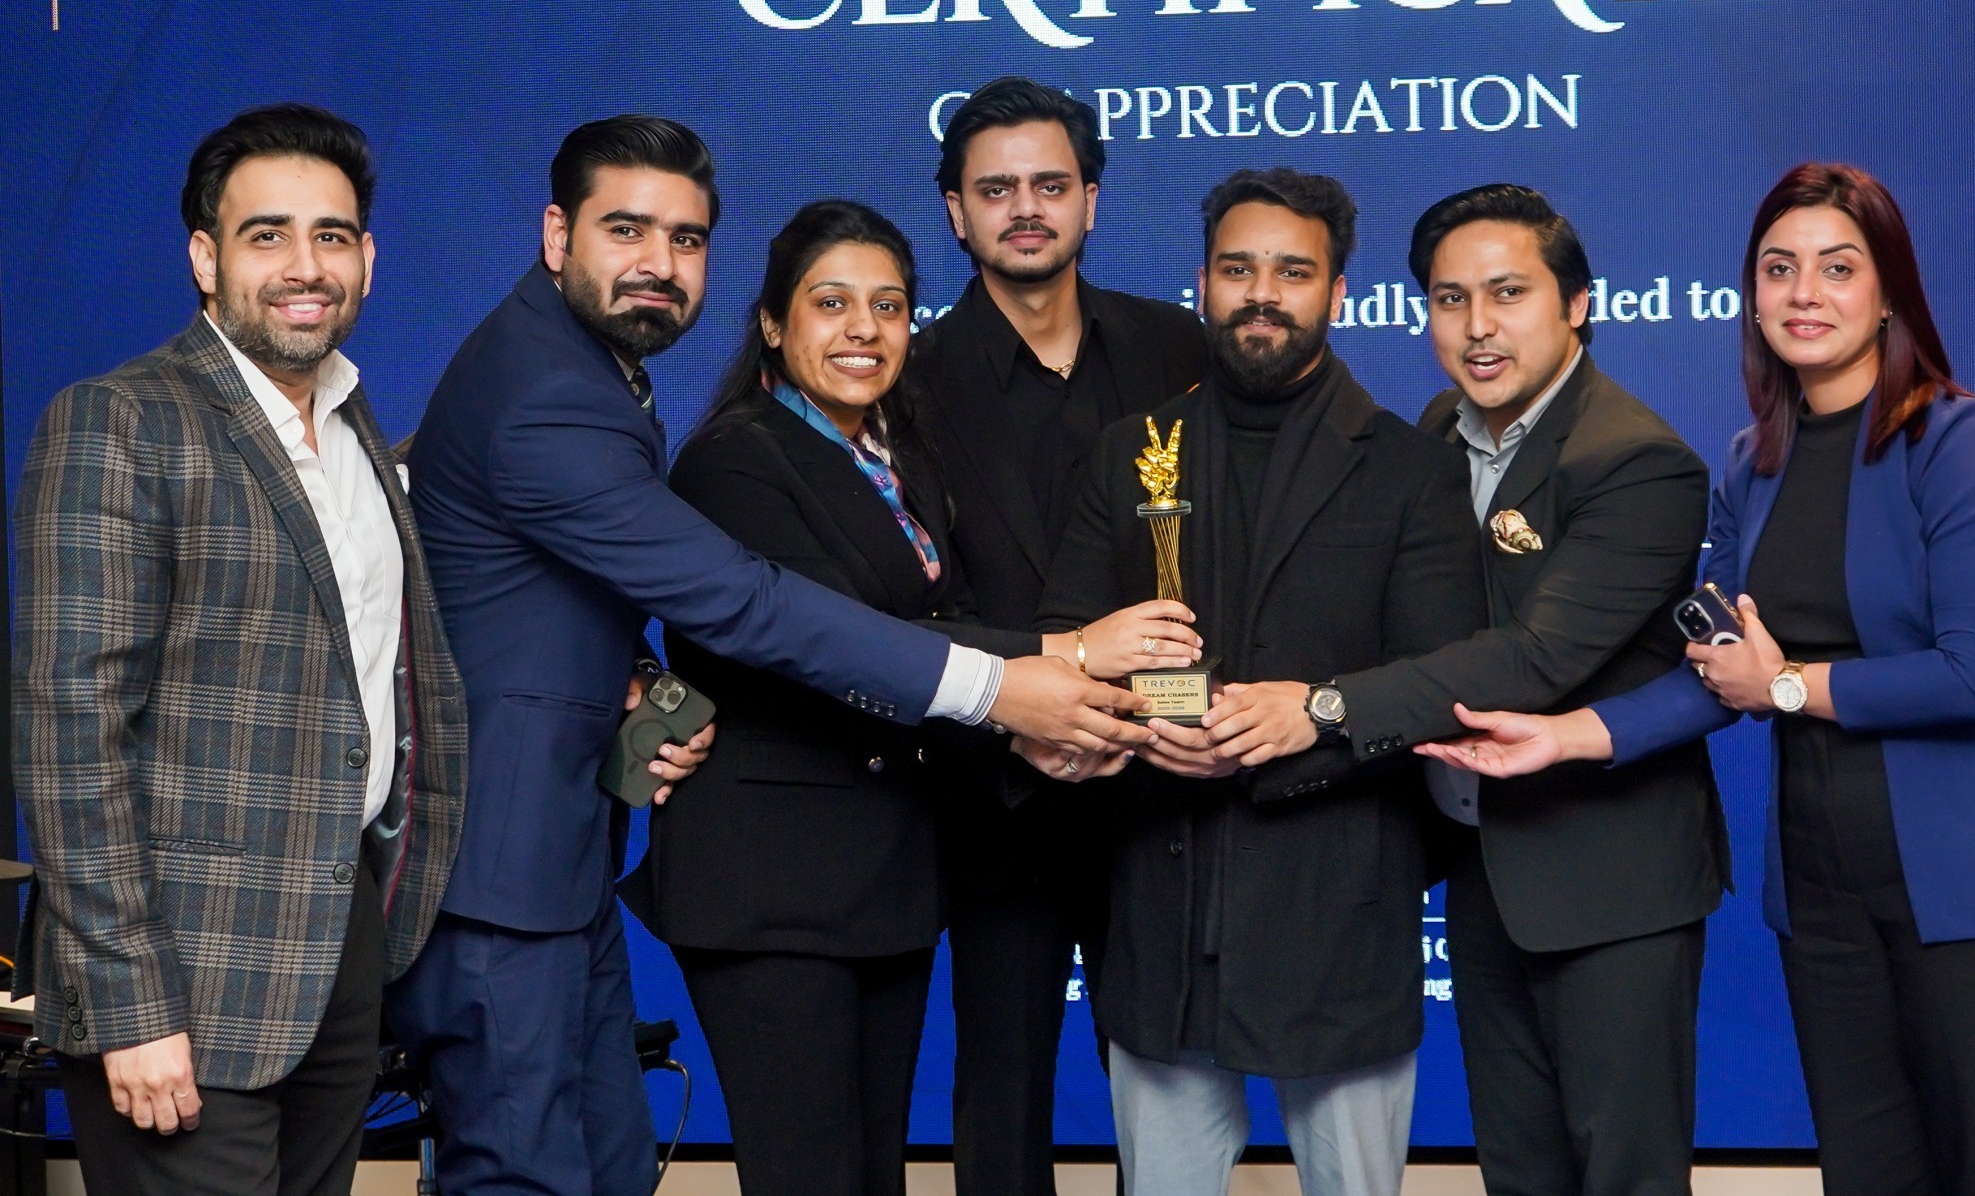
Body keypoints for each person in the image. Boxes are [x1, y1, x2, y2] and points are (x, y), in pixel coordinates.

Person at [386, 116, 1152, 1196]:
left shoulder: (594, 371)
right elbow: (751, 606)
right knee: (533, 1173)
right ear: (557, 234)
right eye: (626, 230)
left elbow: (535, 575)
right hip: (520, 871)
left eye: (686, 238)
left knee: (608, 1167)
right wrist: (1014, 682)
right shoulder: (561, 395)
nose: (658, 263)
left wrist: (636, 678)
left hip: (581, 861)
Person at [1436, 163, 1975, 1196]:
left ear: (1889, 293)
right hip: (1826, 892)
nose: (1805, 293)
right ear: (1751, 296)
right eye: (1778, 268)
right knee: (1868, 1173)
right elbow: (1716, 673)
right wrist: (1562, 737)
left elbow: (1972, 675)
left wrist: (1788, 684)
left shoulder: (1960, 440)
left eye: (1838, 268)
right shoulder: (1754, 464)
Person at [618, 199, 1195, 1196]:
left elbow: (935, 638)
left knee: (871, 1174)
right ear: (772, 323)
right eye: (831, 303)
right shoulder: (733, 461)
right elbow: (848, 640)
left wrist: (1034, 735)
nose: (864, 329)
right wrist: (1066, 650)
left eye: (888, 306)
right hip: (772, 884)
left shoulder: (897, 456)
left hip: (885, 876)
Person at [1205, 183, 1729, 1196]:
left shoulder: (1639, 462)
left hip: (1608, 879)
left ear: (1577, 304)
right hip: (1487, 866)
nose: (1478, 326)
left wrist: (1320, 705)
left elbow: (1535, 659)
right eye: (1450, 299)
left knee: (1624, 1173)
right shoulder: (1443, 426)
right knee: (1519, 1170)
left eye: (1507, 293)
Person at [12, 104, 466, 1196]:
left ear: (367, 258)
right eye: (268, 235)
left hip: (337, 958)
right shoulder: (119, 420)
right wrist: (130, 1006)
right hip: (180, 976)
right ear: (206, 259)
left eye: (332, 235)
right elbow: (71, 736)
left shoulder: (356, 425)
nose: (306, 266)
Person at [1040, 168, 1484, 1196]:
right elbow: (1066, 645)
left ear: (1337, 292)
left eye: (1293, 271)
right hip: (1162, 906)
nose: (1262, 294)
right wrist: (1149, 726)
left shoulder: (1411, 469)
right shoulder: (1129, 453)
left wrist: (1304, 722)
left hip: (1340, 909)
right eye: (1238, 269)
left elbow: (1441, 678)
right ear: (1202, 282)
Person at [908, 75, 1209, 1195]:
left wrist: (1167, 723)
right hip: (1001, 791)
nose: (1025, 208)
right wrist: (1024, 719)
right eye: (996, 189)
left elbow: (1225, 556)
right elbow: (905, 600)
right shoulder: (908, 380)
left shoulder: (1179, 348)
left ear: (1091, 198)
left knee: (1176, 1099)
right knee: (1003, 1102)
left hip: (1165, 790)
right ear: (956, 212)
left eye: (1049, 183)